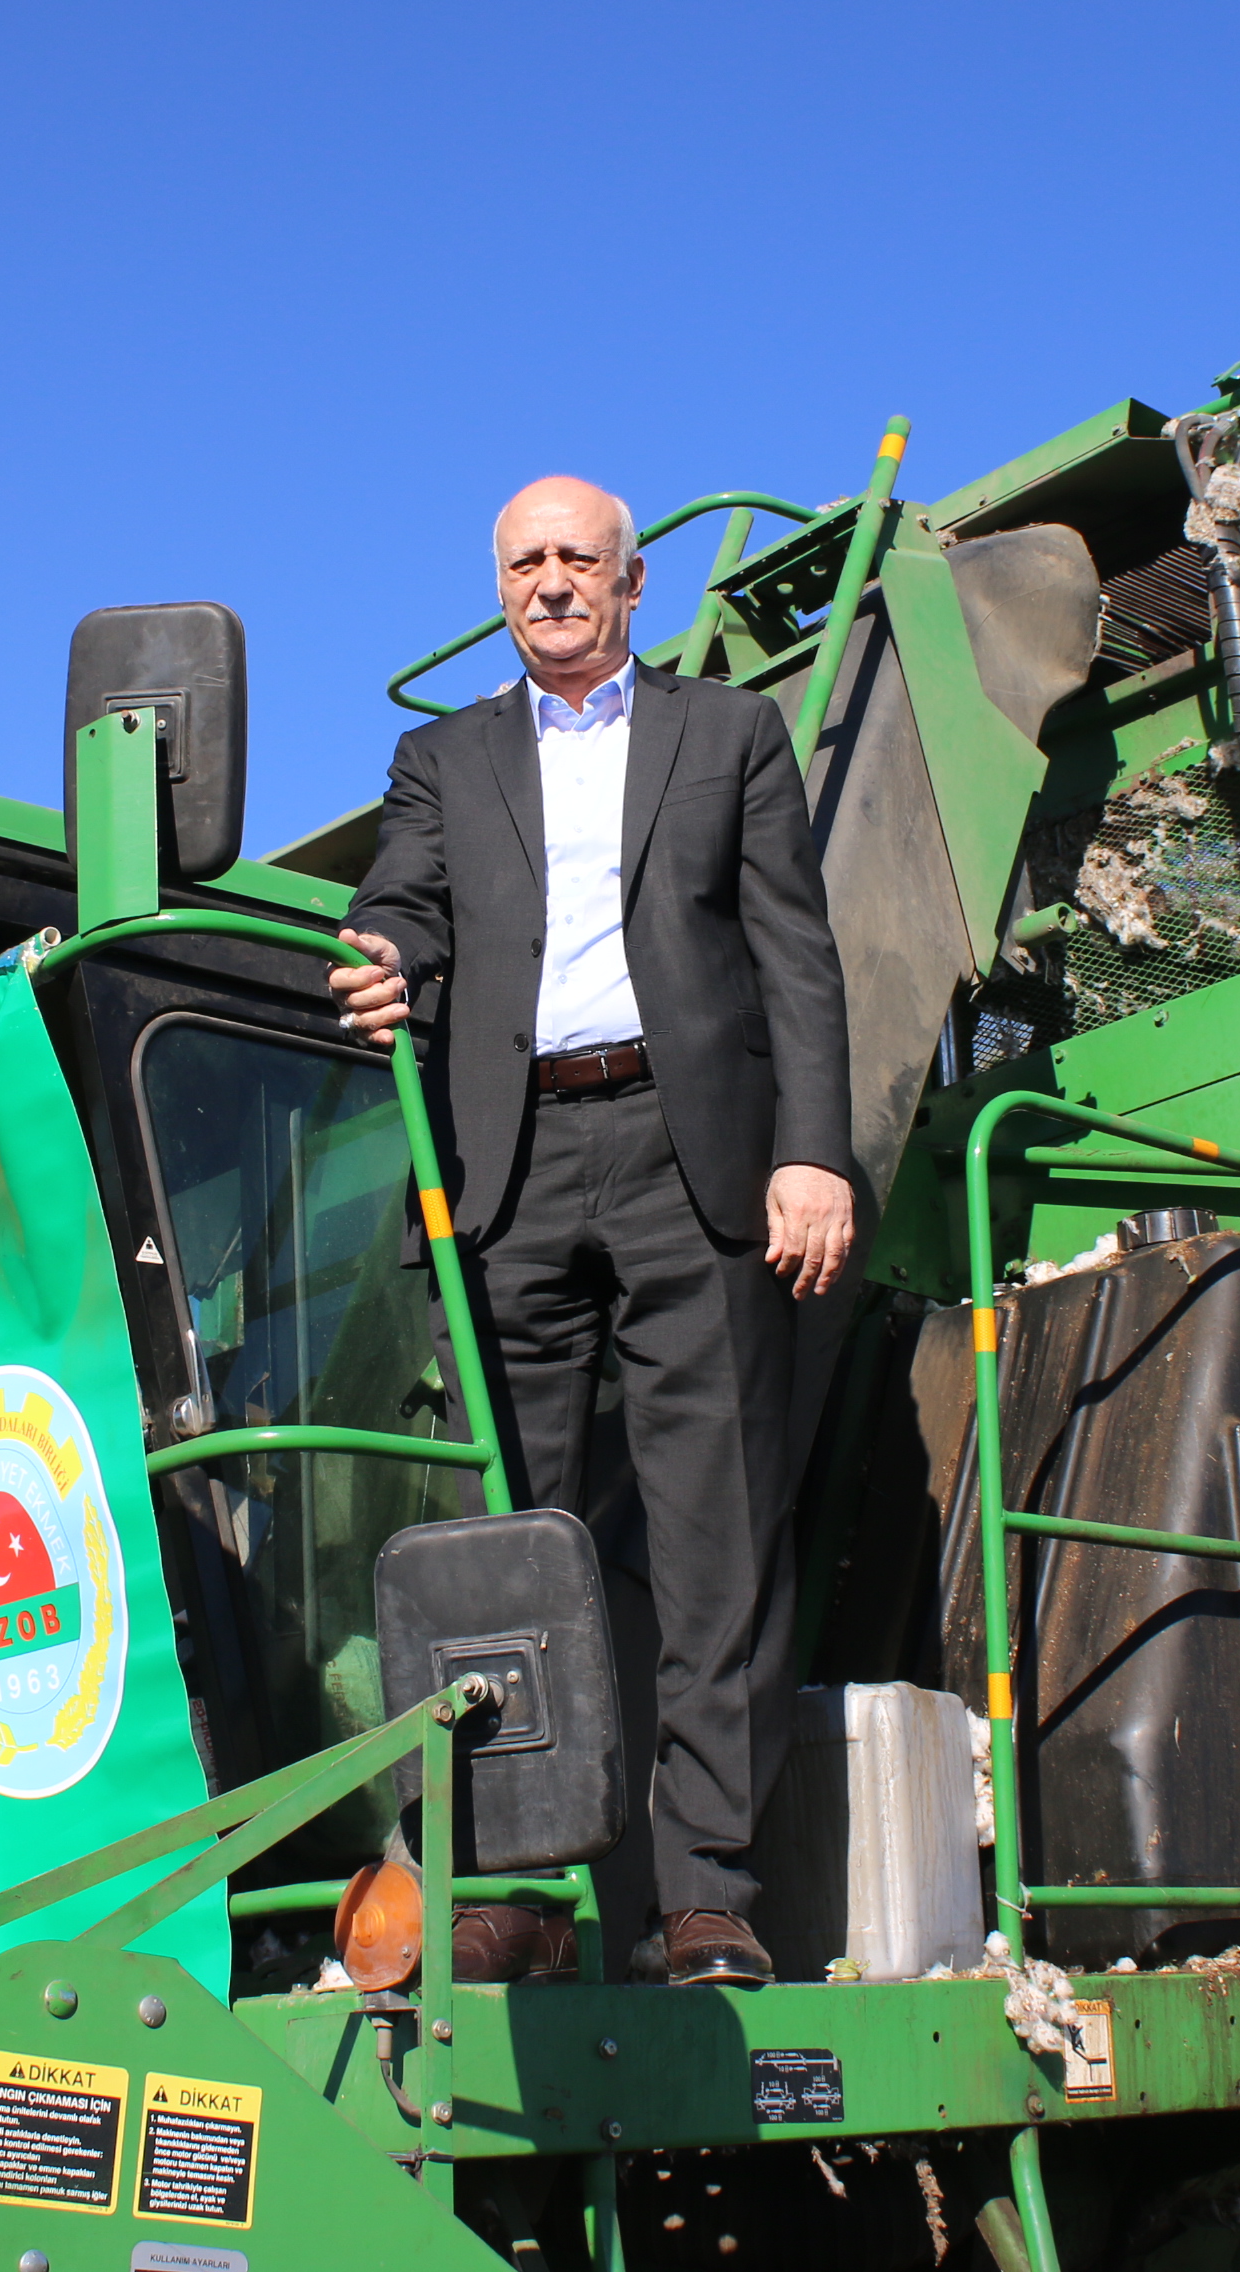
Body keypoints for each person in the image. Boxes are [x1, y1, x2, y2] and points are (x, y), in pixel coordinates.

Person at [328, 475, 854, 1991]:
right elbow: (403, 911)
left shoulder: (730, 736)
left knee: (713, 1537)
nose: (552, 581)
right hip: (515, 1158)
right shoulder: (443, 758)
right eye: (525, 562)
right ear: (501, 589)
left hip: (695, 1158)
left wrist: (810, 1152)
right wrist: (379, 961)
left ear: (633, 586)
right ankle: (513, 1890)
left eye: (580, 559)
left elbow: (794, 958)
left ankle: (707, 1898)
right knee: (508, 1547)